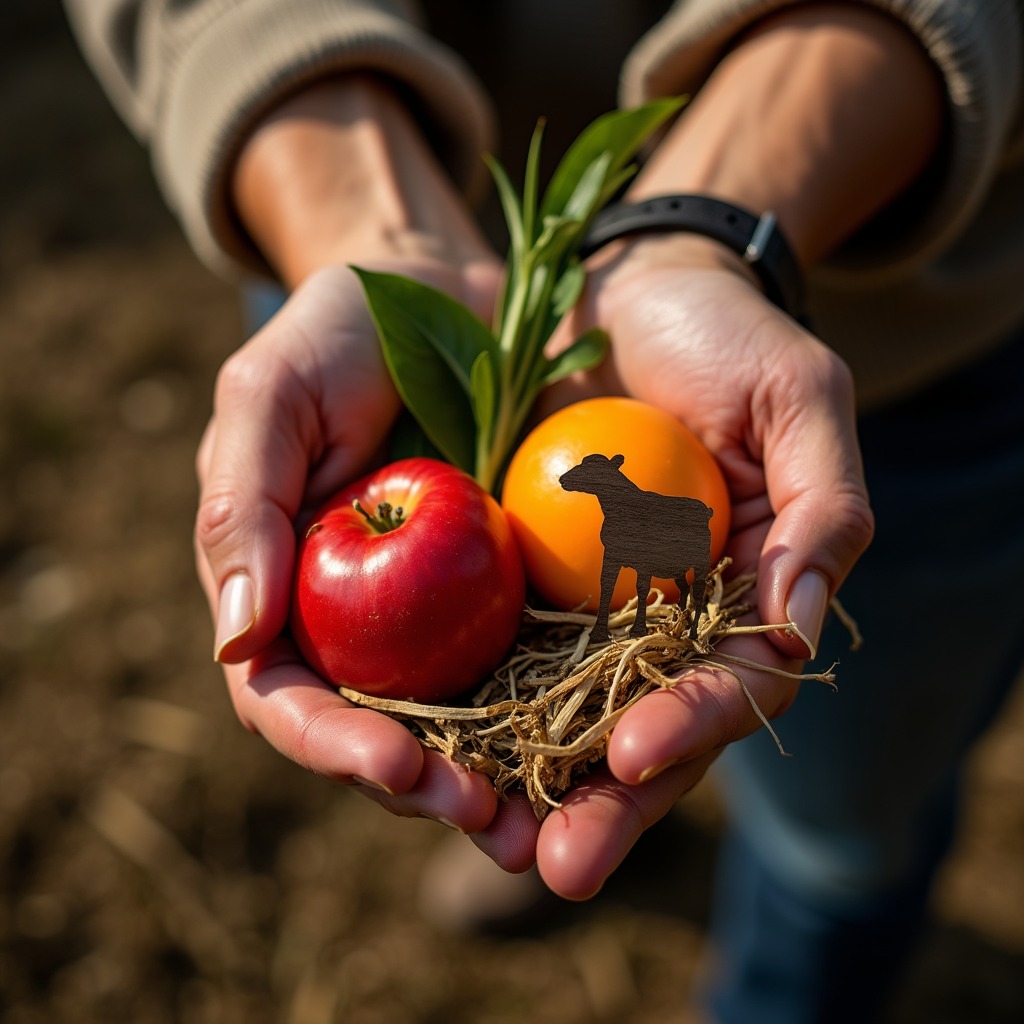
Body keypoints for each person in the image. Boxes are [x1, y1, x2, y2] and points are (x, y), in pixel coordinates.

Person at [63, 1, 1024, 1020]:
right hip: (383, 323)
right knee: (624, 772)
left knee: (841, 829)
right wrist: (359, 225)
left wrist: (701, 238)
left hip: (901, 335)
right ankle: (543, 762)